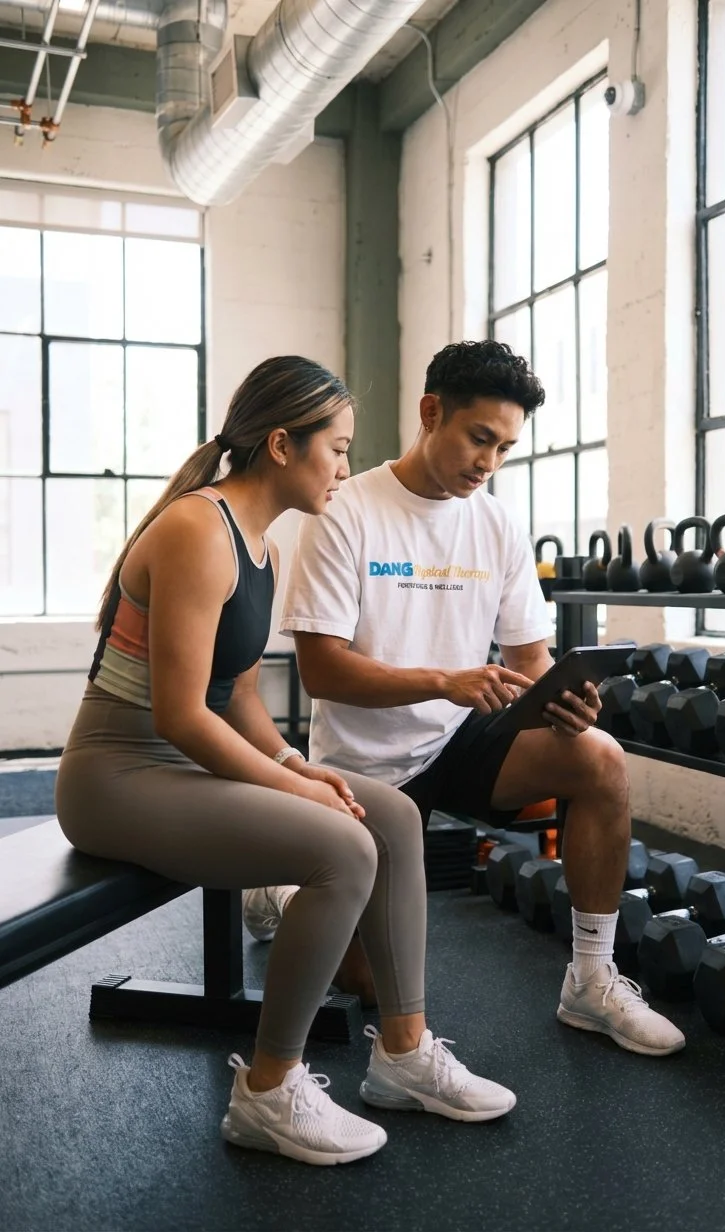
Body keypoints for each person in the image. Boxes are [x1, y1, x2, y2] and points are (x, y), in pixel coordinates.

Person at [55, 355, 517, 1169]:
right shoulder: (198, 529)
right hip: (115, 776)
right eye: (336, 448)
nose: (345, 466)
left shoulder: (258, 544)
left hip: (177, 766)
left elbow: (232, 695)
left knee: (394, 815)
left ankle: (403, 1055)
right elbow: (178, 714)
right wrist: (292, 787)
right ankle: (268, 1091)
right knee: (341, 847)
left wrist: (292, 763)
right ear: (281, 444)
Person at [245, 340, 685, 1058]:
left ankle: (593, 979)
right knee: (368, 987)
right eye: (480, 438)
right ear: (431, 413)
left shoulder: (497, 523)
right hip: (368, 763)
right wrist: (444, 680)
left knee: (599, 759)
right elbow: (322, 672)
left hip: (464, 738)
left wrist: (562, 700)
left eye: (506, 448)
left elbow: (529, 660)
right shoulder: (343, 511)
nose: (489, 462)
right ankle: (284, 894)